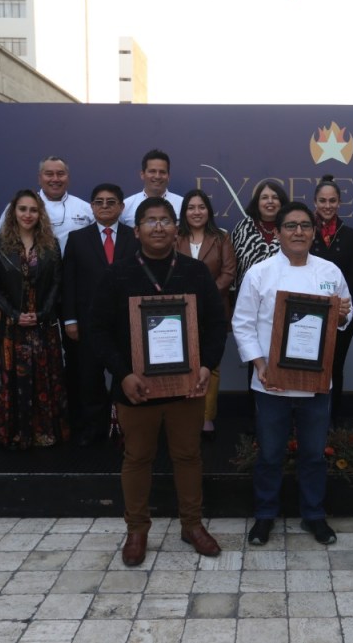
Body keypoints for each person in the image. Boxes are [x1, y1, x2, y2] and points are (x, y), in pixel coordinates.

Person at [90, 198, 227, 566]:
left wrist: (206, 366)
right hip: (136, 388)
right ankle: (137, 530)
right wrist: (123, 374)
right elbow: (97, 330)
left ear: (176, 229)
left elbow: (217, 324)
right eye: (150, 221)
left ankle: (192, 525)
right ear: (136, 231)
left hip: (187, 388)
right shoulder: (117, 274)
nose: (159, 227)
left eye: (165, 220)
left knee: (188, 456)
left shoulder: (196, 272)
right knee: (137, 458)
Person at [233, 202, 353, 547]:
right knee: (270, 454)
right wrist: (259, 365)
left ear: (314, 232)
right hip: (270, 382)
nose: (298, 232)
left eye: (305, 226)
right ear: (278, 232)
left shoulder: (330, 271)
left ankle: (314, 515)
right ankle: (264, 516)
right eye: (290, 226)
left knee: (313, 455)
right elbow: (242, 323)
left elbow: (344, 319)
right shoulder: (260, 273)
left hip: (316, 384)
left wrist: (342, 315)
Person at [0, 190, 69, 449]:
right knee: (9, 378)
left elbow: (57, 284)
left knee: (44, 377)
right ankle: (11, 433)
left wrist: (41, 314)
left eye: (33, 210)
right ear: (14, 212)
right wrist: (14, 314)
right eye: (23, 209)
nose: (28, 214)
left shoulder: (51, 244)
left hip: (42, 324)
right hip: (9, 324)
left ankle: (43, 432)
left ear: (40, 214)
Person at [61, 183, 138, 446]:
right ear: (92, 207)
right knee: (89, 377)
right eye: (99, 202)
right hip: (88, 322)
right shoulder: (77, 238)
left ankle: (124, 427)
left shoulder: (134, 237)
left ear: (122, 207)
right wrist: (70, 319)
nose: (105, 206)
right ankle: (94, 429)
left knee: (124, 374)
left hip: (127, 322)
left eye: (111, 202)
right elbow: (69, 282)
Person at [175, 189, 237, 440]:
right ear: (184, 212)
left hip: (213, 310)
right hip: (179, 310)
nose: (196, 212)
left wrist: (205, 296)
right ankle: (182, 416)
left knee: (211, 365)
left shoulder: (221, 237)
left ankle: (207, 417)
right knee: (181, 364)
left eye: (201, 207)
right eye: (191, 207)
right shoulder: (175, 236)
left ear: (208, 211)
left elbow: (228, 273)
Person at [309, 175, 353, 425]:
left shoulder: (350, 235)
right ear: (315, 202)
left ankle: (331, 423)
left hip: (341, 315)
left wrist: (335, 309)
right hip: (308, 315)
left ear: (339, 203)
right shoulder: (304, 232)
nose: (327, 206)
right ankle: (306, 424)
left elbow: (352, 278)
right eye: (323, 201)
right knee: (308, 368)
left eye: (332, 201)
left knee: (334, 369)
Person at [0, 156, 93, 253]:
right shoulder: (19, 207)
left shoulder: (86, 208)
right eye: (49, 174)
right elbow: (0, 242)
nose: (55, 179)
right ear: (39, 178)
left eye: (60, 174)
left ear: (68, 178)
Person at [230, 179, 287, 287]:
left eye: (275, 197)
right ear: (257, 202)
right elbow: (231, 265)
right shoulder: (242, 228)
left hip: (283, 292)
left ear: (281, 202)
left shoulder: (290, 227)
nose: (270, 201)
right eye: (264, 197)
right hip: (247, 291)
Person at [120, 149, 184, 229]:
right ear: (142, 174)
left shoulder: (183, 204)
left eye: (162, 172)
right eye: (152, 171)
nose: (157, 176)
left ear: (168, 176)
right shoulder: (126, 206)